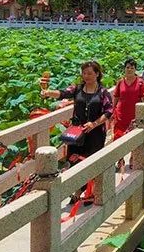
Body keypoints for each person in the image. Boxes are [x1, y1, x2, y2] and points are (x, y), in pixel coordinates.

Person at [41, 61, 113, 203]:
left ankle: (84, 193)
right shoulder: (78, 89)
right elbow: (63, 94)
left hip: (95, 134)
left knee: (90, 162)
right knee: (73, 160)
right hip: (76, 133)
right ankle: (77, 191)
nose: (86, 76)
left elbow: (109, 111)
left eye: (90, 73)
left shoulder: (102, 92)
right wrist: (48, 92)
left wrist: (94, 123)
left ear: (97, 74)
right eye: (84, 73)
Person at [112, 58, 144, 141]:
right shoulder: (120, 82)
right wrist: (112, 111)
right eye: (127, 67)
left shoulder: (140, 82)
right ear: (124, 69)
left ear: (135, 69)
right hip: (121, 115)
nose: (129, 70)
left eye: (132, 68)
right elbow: (116, 97)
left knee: (134, 139)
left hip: (134, 115)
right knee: (118, 138)